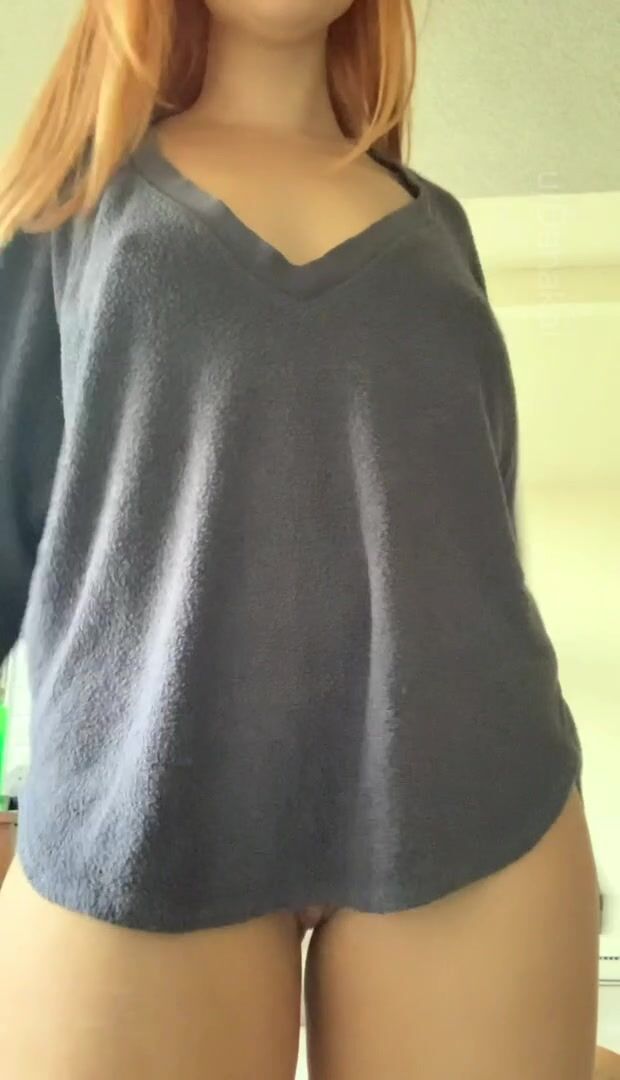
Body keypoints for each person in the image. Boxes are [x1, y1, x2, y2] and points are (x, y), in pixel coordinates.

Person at [0, 1, 602, 1077]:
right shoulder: (66, 210)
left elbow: (478, 529)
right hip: (142, 812)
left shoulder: (437, 228)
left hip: (474, 797)